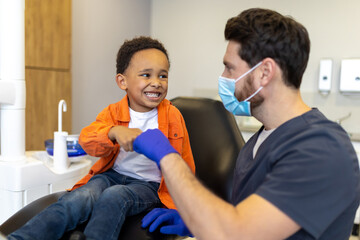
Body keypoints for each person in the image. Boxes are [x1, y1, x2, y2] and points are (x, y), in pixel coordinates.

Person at [133, 8, 360, 240]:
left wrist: (168, 158)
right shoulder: (256, 145)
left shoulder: (322, 148)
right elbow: (247, 217)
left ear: (264, 72)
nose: (223, 77)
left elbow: (236, 233)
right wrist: (195, 222)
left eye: (230, 67)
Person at [8, 36, 195, 240]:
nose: (156, 83)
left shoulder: (173, 116)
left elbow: (184, 163)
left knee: (115, 196)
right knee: (81, 197)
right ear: (122, 81)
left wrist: (182, 208)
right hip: (111, 175)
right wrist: (112, 132)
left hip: (148, 185)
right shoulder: (112, 113)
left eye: (163, 76)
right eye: (146, 75)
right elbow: (87, 140)